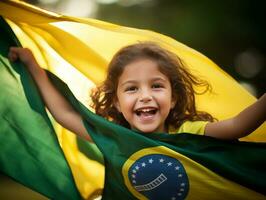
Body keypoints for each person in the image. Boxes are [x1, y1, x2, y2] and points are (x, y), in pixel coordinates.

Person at [8, 42, 266, 142]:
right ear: (118, 103)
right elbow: (63, 113)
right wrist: (32, 65)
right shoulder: (114, 138)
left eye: (156, 86)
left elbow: (238, 126)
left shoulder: (190, 133)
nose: (145, 95)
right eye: (132, 89)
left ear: (173, 98)